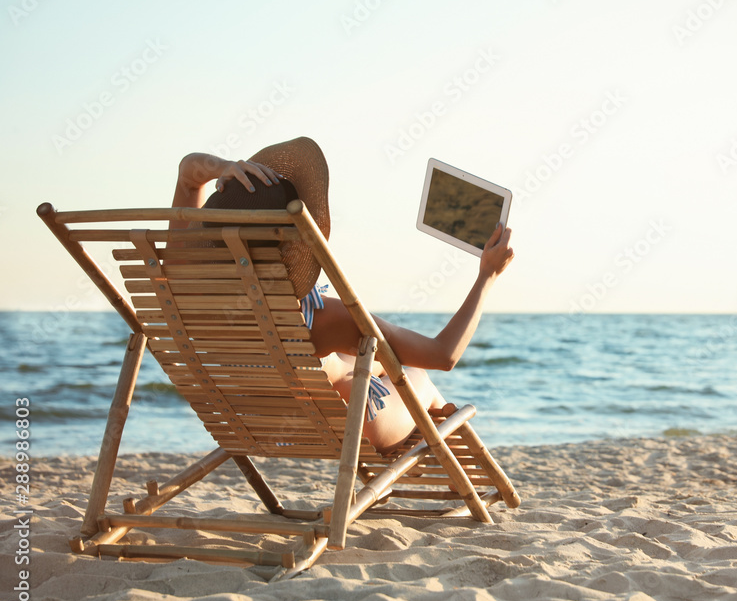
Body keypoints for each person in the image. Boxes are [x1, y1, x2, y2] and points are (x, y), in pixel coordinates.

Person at [169, 137, 514, 454]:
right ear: (294, 247)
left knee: (369, 363)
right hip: (350, 426)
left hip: (252, 421)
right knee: (419, 379)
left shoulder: (180, 282)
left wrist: (222, 167)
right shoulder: (316, 319)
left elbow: (188, 172)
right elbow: (444, 355)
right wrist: (487, 275)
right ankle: (452, 478)